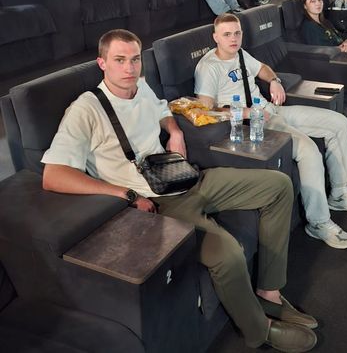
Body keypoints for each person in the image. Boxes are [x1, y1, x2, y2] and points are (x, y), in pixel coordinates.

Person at [41, 29, 318, 352]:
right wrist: (124, 194)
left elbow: (162, 109)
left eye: (135, 59)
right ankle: (259, 330)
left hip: (183, 176)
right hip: (158, 201)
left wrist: (174, 132)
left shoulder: (140, 86)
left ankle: (268, 291)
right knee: (227, 252)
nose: (129, 68)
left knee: (278, 185)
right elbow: (53, 175)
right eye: (119, 60)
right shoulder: (85, 109)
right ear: (102, 63)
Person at [194, 14, 347, 250]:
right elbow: (205, 110)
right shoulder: (208, 67)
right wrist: (245, 111)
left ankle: (339, 194)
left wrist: (275, 81)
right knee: (309, 151)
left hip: (271, 110)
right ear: (215, 37)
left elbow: (264, 68)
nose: (233, 38)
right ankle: (318, 222)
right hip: (254, 123)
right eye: (227, 34)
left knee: (338, 122)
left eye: (237, 33)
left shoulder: (240, 54)